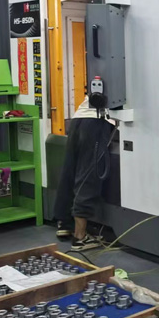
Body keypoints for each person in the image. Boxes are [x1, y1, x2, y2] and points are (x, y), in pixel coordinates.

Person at [53, 97, 116, 251]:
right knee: (88, 174)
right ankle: (80, 237)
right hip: (97, 121)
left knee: (70, 171)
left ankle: (65, 224)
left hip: (79, 118)